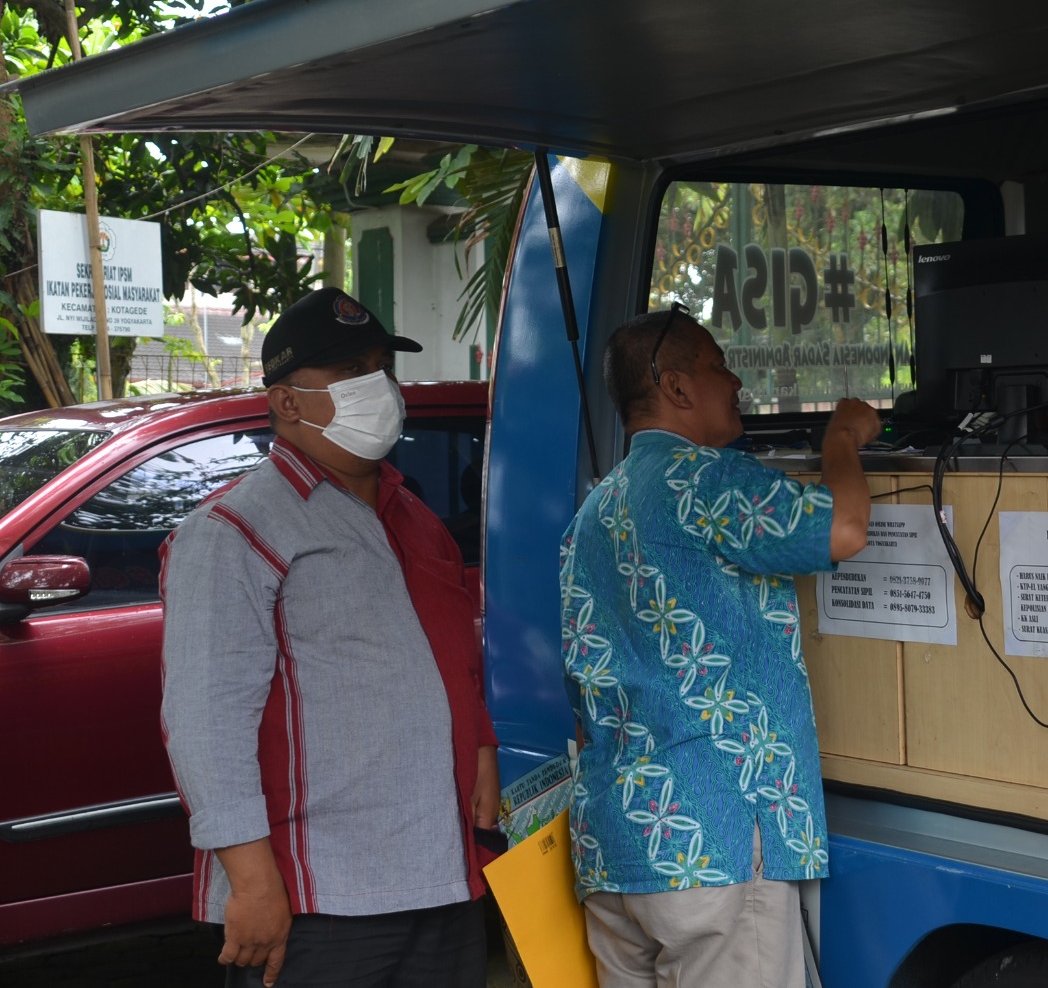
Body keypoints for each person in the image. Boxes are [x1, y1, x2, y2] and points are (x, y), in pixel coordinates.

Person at [160, 288, 499, 988]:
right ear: (286, 402)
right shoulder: (234, 532)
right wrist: (251, 884)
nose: (379, 388)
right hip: (321, 895)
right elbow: (205, 721)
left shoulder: (415, 516)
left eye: (383, 367)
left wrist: (483, 747)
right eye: (351, 371)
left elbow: (455, 658)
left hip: (441, 873)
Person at [559, 304, 879, 988]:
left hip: (616, 847)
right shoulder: (707, 479)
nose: (735, 381)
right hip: (716, 843)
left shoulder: (594, 510)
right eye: (718, 365)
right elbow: (845, 529)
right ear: (675, 386)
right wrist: (843, 439)